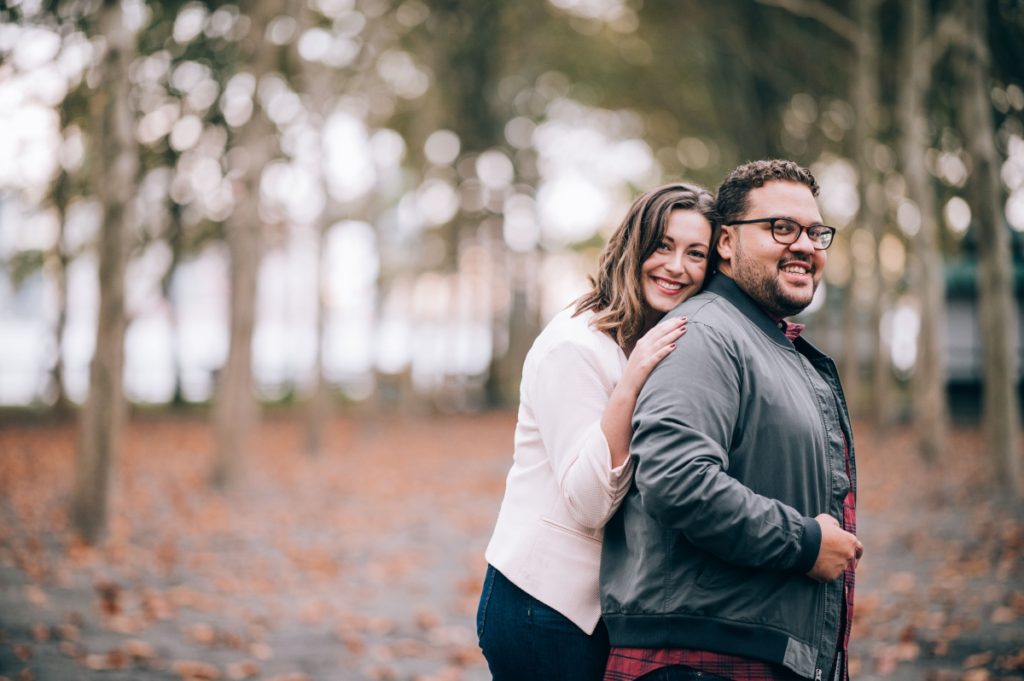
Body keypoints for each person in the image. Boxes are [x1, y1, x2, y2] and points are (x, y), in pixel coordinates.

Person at [600, 159, 863, 681]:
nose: (805, 245)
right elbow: (677, 480)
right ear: (725, 243)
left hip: (751, 650)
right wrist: (806, 542)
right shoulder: (703, 334)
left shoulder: (766, 340)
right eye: (781, 228)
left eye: (814, 232)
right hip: (700, 659)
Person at [477, 183, 720, 680]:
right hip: (542, 607)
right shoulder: (575, 345)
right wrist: (629, 385)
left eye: (695, 253)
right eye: (662, 245)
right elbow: (588, 502)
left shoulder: (654, 339)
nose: (677, 266)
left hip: (603, 610)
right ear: (634, 246)